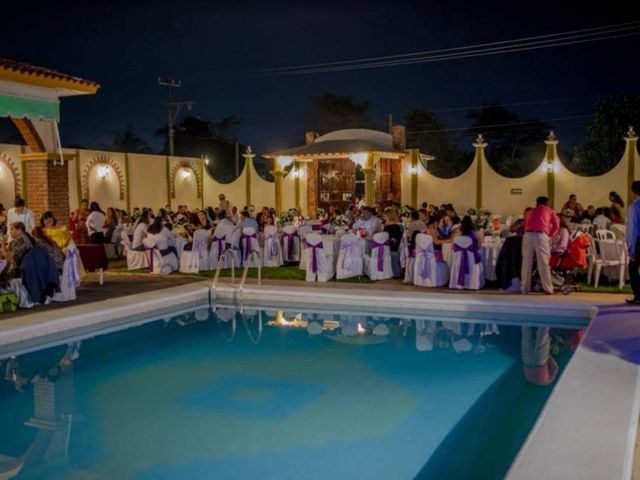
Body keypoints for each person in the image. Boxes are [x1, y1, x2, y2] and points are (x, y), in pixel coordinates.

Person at [521, 196, 559, 295]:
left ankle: (524, 288)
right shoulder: (550, 211)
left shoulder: (530, 211)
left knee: (526, 263)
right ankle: (548, 289)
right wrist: (550, 235)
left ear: (537, 203)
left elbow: (526, 224)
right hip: (541, 235)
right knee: (543, 263)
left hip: (527, 235)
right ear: (547, 203)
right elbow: (556, 226)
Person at [626, 181, 640, 305]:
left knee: (633, 267)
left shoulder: (635, 206)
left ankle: (638, 295)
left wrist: (631, 247)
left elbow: (633, 228)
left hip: (639, 240)